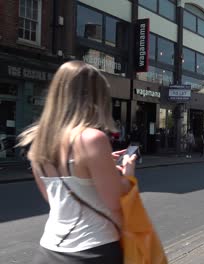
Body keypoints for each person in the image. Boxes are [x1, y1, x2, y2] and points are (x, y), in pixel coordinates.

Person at [16, 61, 136, 264]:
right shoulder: (92, 139)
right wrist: (128, 174)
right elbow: (115, 202)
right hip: (94, 250)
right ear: (96, 98)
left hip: (49, 252)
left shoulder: (37, 141)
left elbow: (55, 199)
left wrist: (98, 167)